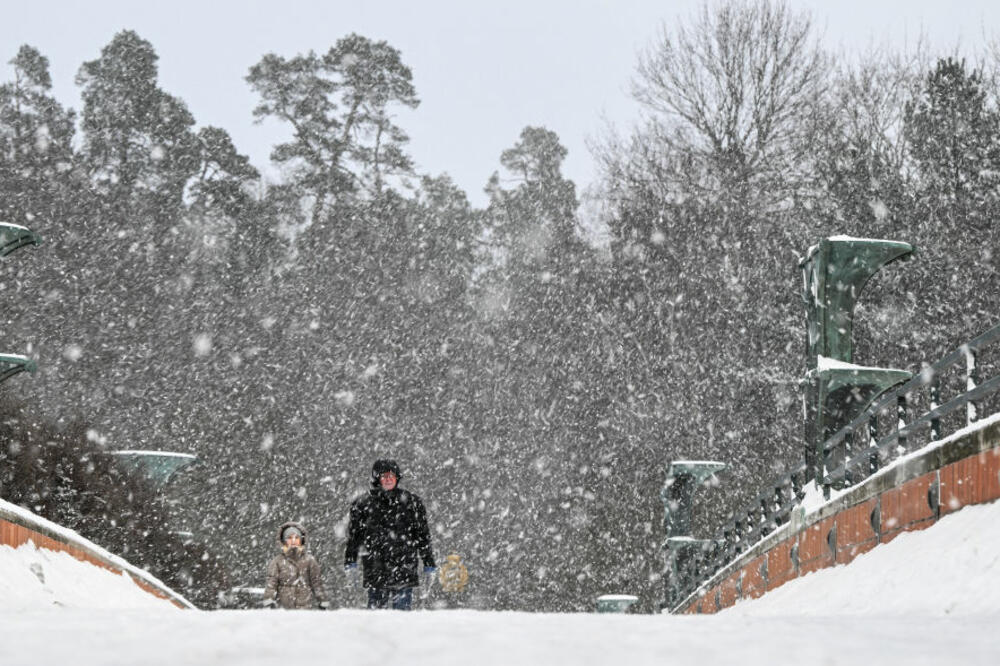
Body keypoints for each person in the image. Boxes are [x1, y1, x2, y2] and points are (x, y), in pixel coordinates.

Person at [344, 459, 436, 610]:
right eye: (384, 476)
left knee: (402, 621)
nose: (388, 479)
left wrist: (429, 563)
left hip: (404, 569)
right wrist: (350, 562)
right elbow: (354, 538)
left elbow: (423, 536)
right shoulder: (362, 504)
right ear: (377, 478)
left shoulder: (412, 503)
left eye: (391, 475)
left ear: (397, 478)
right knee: (376, 620)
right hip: (375, 570)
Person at [262, 521, 330, 610]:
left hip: (305, 609)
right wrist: (269, 600)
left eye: (296, 537)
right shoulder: (277, 561)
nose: (293, 540)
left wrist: (322, 600)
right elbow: (272, 583)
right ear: (284, 540)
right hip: (283, 610)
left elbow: (317, 582)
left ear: (301, 540)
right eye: (289, 538)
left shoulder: (309, 561)